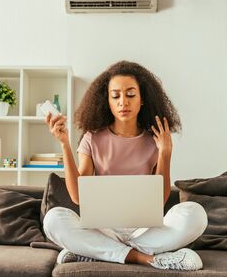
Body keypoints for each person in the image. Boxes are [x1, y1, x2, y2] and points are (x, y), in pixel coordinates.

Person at [43, 60, 208, 271]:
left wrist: (165, 153)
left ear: (142, 100)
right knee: (53, 220)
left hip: (144, 231)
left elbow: (160, 200)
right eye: (115, 96)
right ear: (107, 102)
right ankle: (144, 258)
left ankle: (98, 252)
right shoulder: (92, 138)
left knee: (196, 214)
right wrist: (64, 144)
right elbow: (77, 197)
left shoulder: (155, 140)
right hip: (102, 230)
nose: (123, 102)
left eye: (130, 95)